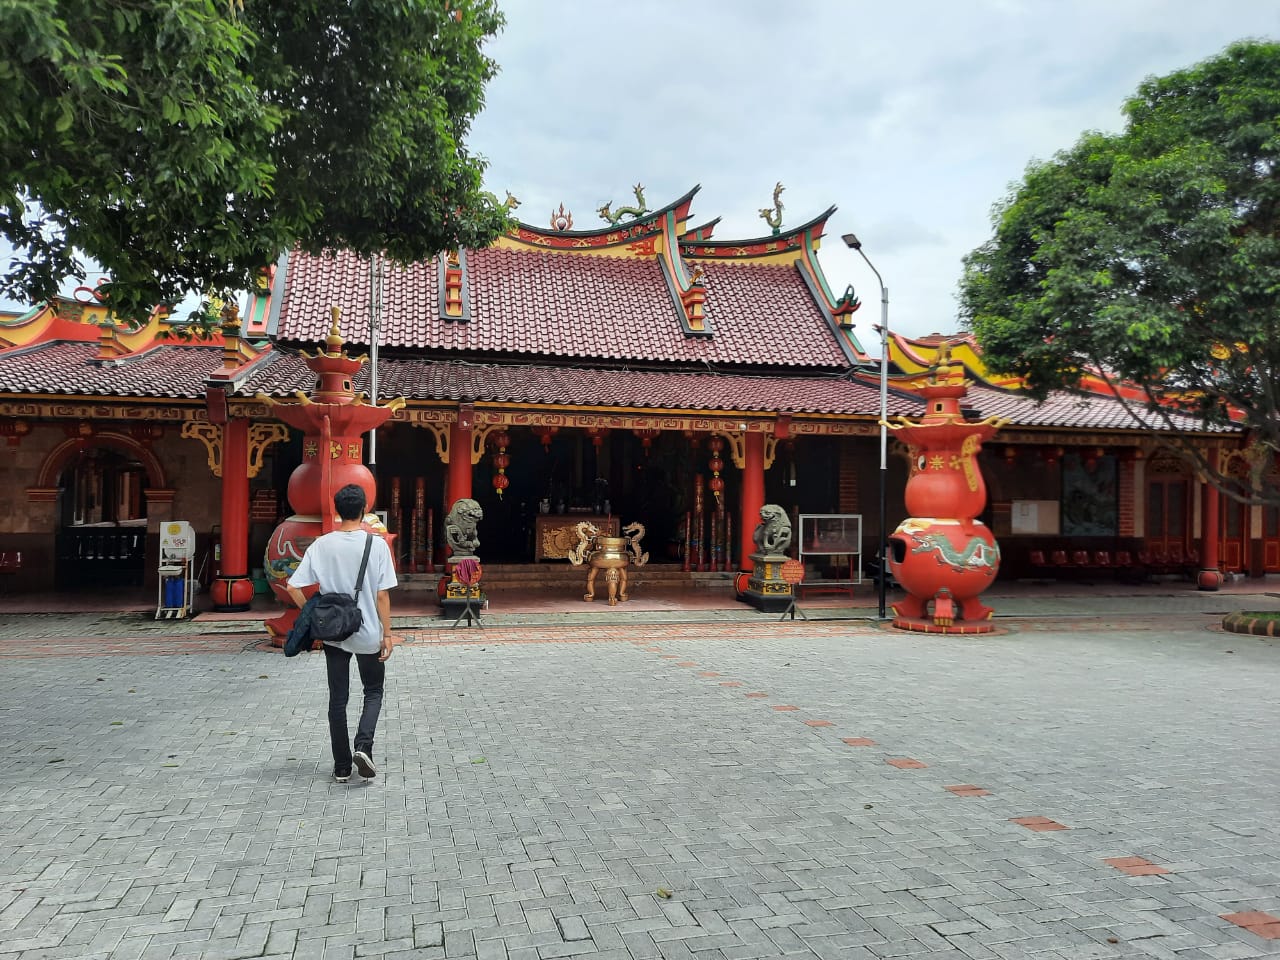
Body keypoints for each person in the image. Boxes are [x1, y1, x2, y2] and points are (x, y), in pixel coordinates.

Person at [286, 483, 397, 784]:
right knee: (373, 691)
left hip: (334, 633)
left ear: (336, 510)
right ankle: (363, 746)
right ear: (364, 510)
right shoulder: (377, 546)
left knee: (338, 699)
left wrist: (313, 614)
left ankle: (342, 767)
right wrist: (387, 634)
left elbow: (292, 586)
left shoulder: (322, 545)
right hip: (369, 630)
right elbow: (382, 596)